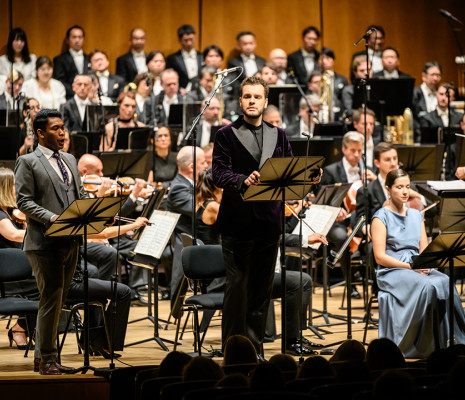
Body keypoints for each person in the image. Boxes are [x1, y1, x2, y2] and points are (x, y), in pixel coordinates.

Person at [212, 76, 318, 353]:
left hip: (270, 225)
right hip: (237, 224)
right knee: (237, 290)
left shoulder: (279, 134)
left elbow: (289, 171)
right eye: (247, 96)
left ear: (265, 101)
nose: (251, 101)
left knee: (261, 291)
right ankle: (233, 350)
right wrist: (241, 180)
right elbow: (219, 173)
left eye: (257, 97)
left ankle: (256, 348)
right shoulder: (225, 134)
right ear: (240, 101)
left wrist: (309, 177)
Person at [14, 109, 86, 375]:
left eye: (63, 128)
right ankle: (48, 359)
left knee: (56, 300)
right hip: (43, 242)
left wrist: (95, 213)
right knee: (51, 299)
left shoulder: (69, 159)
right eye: (55, 129)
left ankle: (41, 357)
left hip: (71, 240)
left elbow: (79, 195)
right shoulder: (28, 161)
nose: (62, 133)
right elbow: (23, 201)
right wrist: (52, 217)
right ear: (40, 133)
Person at [371, 168, 465, 358]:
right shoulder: (380, 217)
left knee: (445, 281)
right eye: (399, 187)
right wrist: (410, 267)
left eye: (407, 186)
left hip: (417, 265)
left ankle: (454, 340)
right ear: (388, 189)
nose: (405, 191)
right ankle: (425, 346)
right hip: (392, 269)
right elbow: (380, 257)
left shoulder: (416, 215)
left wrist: (427, 264)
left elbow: (423, 250)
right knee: (429, 287)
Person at [167, 146, 208, 300]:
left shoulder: (188, 183)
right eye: (203, 163)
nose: (206, 166)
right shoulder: (179, 187)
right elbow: (200, 210)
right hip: (190, 242)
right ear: (192, 167)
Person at [53, 25, 90, 99]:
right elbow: (59, 82)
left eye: (80, 37)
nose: (77, 40)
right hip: (69, 98)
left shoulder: (89, 58)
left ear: (83, 39)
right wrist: (77, 91)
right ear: (67, 40)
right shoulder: (59, 60)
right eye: (74, 37)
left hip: (88, 97)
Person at [166, 24, 203, 92]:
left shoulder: (202, 56)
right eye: (185, 40)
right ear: (180, 40)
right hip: (181, 94)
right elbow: (169, 78)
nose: (189, 43)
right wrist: (179, 89)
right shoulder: (172, 58)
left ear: (195, 38)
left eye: (191, 39)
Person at [317, 47, 348, 122]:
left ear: (333, 60)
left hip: (337, 115)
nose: (324, 61)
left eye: (327, 58)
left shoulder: (342, 80)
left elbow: (345, 100)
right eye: (321, 58)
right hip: (319, 113)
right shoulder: (315, 79)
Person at [412, 62, 442, 130]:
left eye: (438, 75)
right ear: (424, 76)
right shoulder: (414, 93)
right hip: (420, 132)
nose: (435, 78)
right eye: (432, 75)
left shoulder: (442, 94)